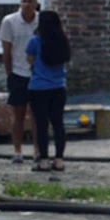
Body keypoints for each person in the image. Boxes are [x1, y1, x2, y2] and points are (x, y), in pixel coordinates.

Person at [0, 0, 40, 164]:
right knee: (18, 114)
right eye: (23, 1)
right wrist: (10, 73)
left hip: (38, 74)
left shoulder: (41, 21)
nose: (26, 4)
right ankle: (17, 150)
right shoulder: (10, 21)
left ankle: (38, 151)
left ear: (36, 3)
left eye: (30, 1)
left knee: (38, 114)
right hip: (18, 72)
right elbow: (6, 51)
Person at [25, 11, 70, 172]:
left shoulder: (35, 41)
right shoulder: (62, 41)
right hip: (58, 87)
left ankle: (43, 160)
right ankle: (59, 159)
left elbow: (29, 59)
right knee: (58, 123)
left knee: (41, 125)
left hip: (38, 87)